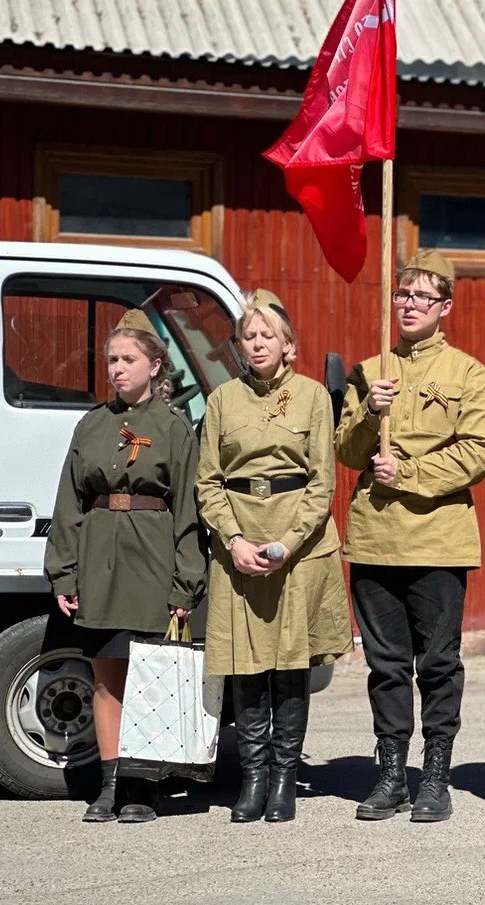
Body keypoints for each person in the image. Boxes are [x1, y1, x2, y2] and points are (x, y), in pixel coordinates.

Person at [335, 249, 485, 824]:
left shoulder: (468, 373)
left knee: (437, 663)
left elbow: (477, 452)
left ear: (445, 307)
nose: (407, 306)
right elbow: (346, 452)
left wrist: (410, 475)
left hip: (437, 537)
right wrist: (365, 412)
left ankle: (435, 777)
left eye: (421, 297)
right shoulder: (370, 369)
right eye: (402, 295)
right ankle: (389, 775)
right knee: (385, 664)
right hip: (377, 536)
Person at [196, 289, 353, 824]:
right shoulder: (222, 401)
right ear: (237, 347)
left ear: (290, 346)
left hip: (299, 548)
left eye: (268, 336)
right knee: (245, 665)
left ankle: (284, 778)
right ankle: (253, 776)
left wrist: (287, 542)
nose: (257, 344)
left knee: (290, 666)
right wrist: (235, 541)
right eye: (248, 337)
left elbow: (322, 482)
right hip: (239, 544)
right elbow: (208, 482)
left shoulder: (311, 396)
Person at [43, 308, 205, 824]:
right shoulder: (92, 425)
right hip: (100, 558)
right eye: (112, 359)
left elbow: (188, 511)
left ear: (155, 366)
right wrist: (63, 573)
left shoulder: (174, 427)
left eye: (128, 359)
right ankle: (110, 784)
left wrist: (186, 583)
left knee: (149, 678)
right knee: (106, 677)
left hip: (152, 557)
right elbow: (68, 501)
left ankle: (143, 787)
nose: (117, 368)